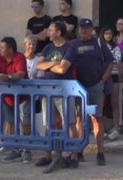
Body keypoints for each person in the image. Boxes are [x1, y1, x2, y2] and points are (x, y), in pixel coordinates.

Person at [71, 18, 114, 166]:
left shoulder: (99, 43)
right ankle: (79, 150)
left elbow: (110, 61)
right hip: (77, 87)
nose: (84, 30)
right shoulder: (73, 44)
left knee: (97, 118)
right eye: (82, 28)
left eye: (87, 28)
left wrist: (103, 79)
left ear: (91, 30)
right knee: (78, 119)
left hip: (95, 85)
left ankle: (100, 152)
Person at [34, 21, 77, 169]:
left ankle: (73, 155)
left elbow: (63, 69)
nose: (48, 32)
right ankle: (48, 155)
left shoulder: (70, 47)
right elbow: (38, 66)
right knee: (48, 123)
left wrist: (49, 65)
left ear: (58, 33)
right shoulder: (47, 47)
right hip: (48, 90)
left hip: (64, 90)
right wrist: (54, 63)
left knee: (69, 122)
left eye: (51, 30)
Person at [0, 36, 31, 163]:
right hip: (7, 97)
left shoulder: (20, 57)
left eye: (3, 47)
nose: (0, 50)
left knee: (25, 123)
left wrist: (8, 76)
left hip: (23, 96)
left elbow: (21, 73)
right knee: (11, 122)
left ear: (10, 50)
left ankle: (26, 150)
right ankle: (15, 150)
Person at [100, 26, 122, 141]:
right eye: (106, 33)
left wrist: (107, 58)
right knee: (103, 104)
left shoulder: (116, 47)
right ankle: (101, 129)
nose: (108, 35)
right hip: (103, 77)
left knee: (114, 103)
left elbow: (116, 60)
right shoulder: (99, 46)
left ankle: (116, 128)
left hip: (114, 76)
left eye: (110, 33)